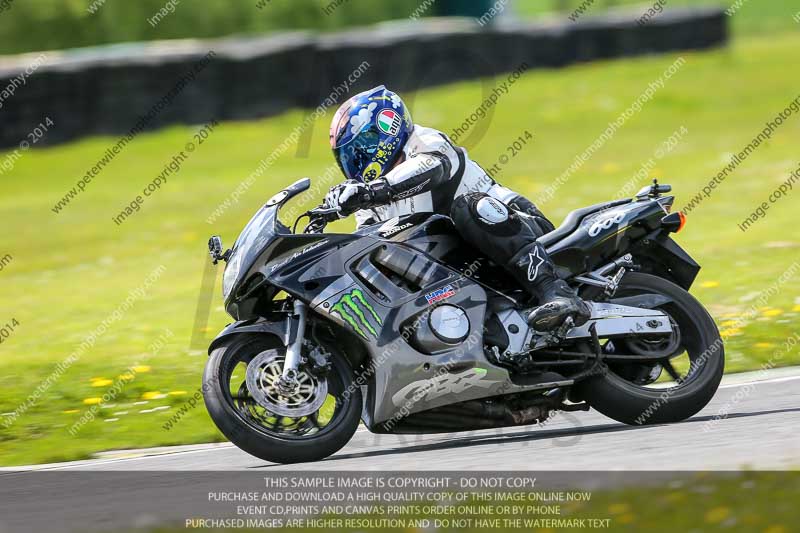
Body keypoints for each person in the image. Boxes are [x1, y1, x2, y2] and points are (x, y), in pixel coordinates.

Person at [323, 85, 590, 332]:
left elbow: (433, 167)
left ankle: (555, 291)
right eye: (348, 156)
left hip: (522, 230)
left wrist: (372, 191)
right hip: (472, 265)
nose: (356, 160)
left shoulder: (424, 141)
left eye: (361, 148)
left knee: (469, 207)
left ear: (386, 129)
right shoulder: (369, 203)